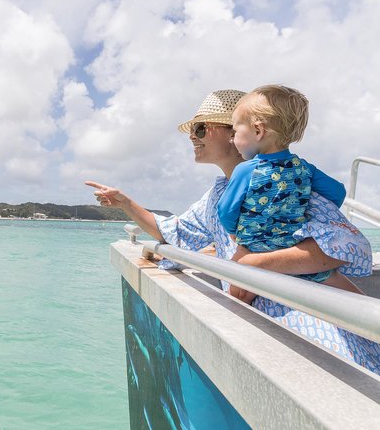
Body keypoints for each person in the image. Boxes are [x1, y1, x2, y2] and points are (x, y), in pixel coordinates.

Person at [85, 89, 379, 374]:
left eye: (201, 129)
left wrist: (252, 266)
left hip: (308, 319)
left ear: (235, 133)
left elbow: (347, 245)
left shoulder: (289, 185)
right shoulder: (217, 194)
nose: (192, 136)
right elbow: (176, 232)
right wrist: (126, 204)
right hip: (261, 323)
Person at [218, 85, 351, 304]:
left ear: (258, 131)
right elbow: (337, 194)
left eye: (235, 132)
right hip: (292, 251)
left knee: (236, 300)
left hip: (255, 252)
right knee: (354, 298)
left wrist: (234, 233)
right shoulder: (305, 168)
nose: (232, 139)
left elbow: (225, 212)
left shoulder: (246, 170)